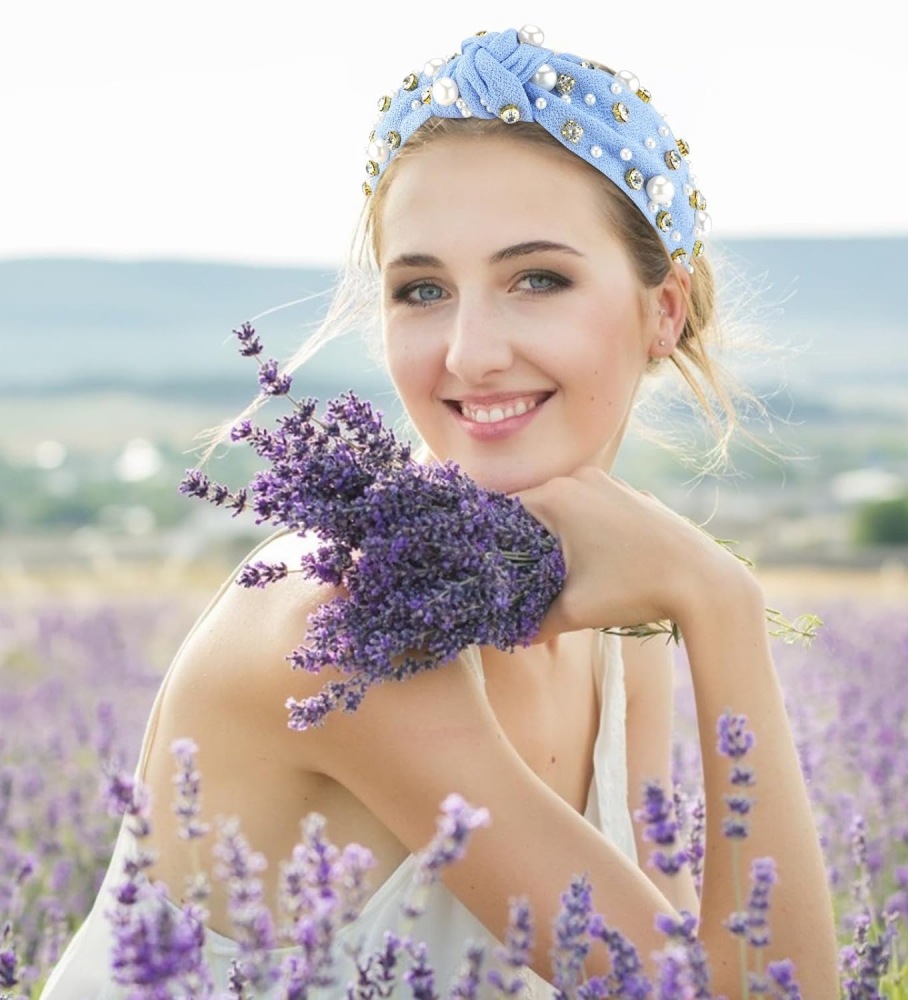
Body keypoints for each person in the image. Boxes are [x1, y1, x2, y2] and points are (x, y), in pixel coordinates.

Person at [41, 24, 839, 998]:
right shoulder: (346, 622)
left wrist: (698, 599)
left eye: (537, 279)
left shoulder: (613, 615)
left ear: (663, 309)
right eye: (422, 290)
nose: (469, 352)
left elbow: (722, 970)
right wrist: (720, 603)